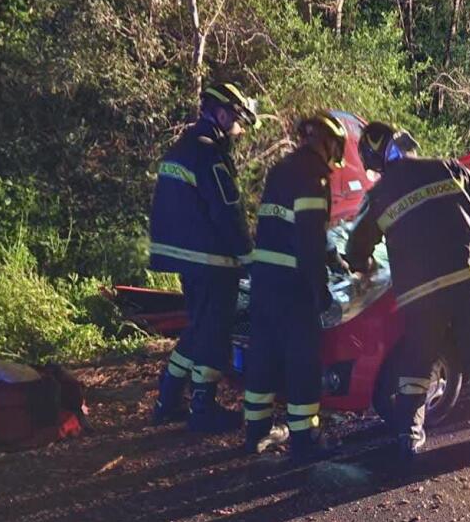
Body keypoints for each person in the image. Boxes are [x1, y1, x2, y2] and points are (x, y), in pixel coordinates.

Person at [345, 122, 470, 463]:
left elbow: (357, 247)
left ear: (376, 162)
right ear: (405, 143)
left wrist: (362, 267)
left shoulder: (379, 195)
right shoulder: (448, 167)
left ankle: (409, 436)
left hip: (422, 294)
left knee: (417, 364)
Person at [148, 83, 256, 432]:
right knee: (214, 333)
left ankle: (167, 398)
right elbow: (228, 213)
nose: (236, 129)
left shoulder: (181, 149)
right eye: (235, 119)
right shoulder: (210, 155)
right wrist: (248, 256)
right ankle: (203, 409)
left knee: (196, 330)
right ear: (221, 112)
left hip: (186, 261)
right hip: (213, 262)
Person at [243, 112, 347, 463]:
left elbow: (292, 227)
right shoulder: (315, 177)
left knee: (264, 356)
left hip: (264, 281)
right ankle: (304, 439)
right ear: (330, 143)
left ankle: (254, 431)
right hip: (293, 285)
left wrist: (333, 257)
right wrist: (321, 290)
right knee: (302, 361)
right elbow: (309, 238)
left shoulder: (281, 170)